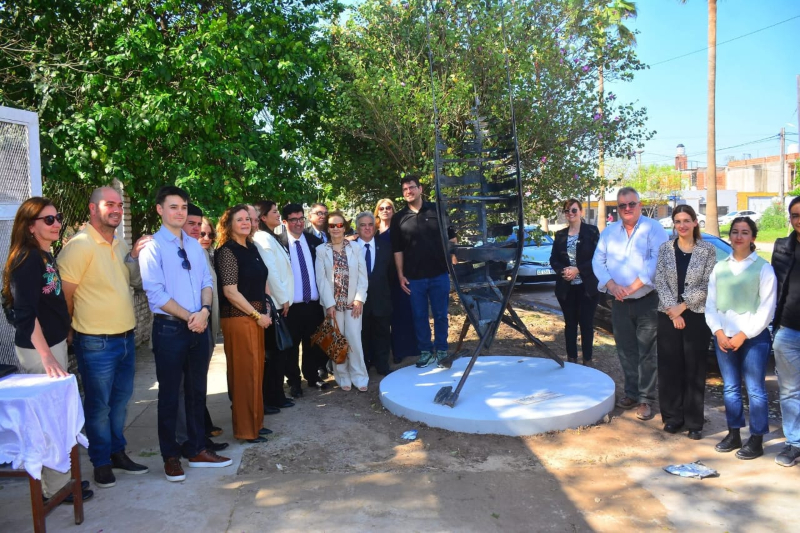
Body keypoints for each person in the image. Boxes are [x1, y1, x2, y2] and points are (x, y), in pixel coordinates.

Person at [2, 197, 93, 503]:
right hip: (39, 349)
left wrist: (63, 333)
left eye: (58, 218)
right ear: (30, 226)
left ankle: (60, 482)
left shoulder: (43, 255)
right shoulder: (26, 259)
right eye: (49, 220)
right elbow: (25, 314)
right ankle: (54, 488)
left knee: (56, 416)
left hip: (52, 344)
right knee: (49, 420)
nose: (57, 224)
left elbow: (49, 302)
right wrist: (46, 355)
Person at [139, 185, 232, 482]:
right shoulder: (152, 247)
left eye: (183, 207)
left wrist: (203, 311)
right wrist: (190, 316)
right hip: (170, 328)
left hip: (198, 326)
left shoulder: (193, 245)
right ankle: (171, 456)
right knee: (169, 396)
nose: (179, 212)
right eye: (173, 207)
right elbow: (155, 293)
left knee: (196, 393)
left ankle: (197, 449)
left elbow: (207, 281)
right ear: (160, 210)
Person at [59, 186, 150, 489]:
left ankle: (117, 452)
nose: (117, 210)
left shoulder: (121, 244)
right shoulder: (79, 245)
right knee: (99, 406)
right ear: (92, 208)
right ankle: (100, 462)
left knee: (120, 402)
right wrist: (69, 330)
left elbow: (133, 283)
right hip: (95, 341)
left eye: (120, 205)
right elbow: (66, 296)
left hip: (125, 337)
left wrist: (134, 256)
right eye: (109, 204)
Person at [592, 187, 669, 421]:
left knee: (647, 352)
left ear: (640, 204)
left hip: (647, 301)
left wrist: (633, 286)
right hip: (619, 301)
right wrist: (611, 285)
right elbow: (598, 261)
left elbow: (657, 261)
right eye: (622, 205)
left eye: (631, 204)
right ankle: (632, 393)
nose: (627, 208)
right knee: (626, 351)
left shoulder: (653, 229)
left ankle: (646, 399)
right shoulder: (609, 232)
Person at [706, 217, 777, 460]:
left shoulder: (764, 269)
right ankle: (734, 433)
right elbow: (711, 304)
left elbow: (767, 309)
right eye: (735, 232)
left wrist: (743, 334)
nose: (739, 237)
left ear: (753, 237)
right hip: (723, 337)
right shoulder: (719, 268)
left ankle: (756, 439)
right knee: (730, 387)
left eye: (744, 232)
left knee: (755, 390)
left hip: (754, 338)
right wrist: (718, 331)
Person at [654, 205, 717, 440]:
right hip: (668, 314)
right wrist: (674, 311)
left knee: (694, 369)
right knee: (670, 368)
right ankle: (673, 417)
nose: (682, 225)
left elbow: (708, 283)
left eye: (686, 220)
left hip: (696, 315)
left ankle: (694, 422)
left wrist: (683, 306)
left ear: (695, 222)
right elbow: (660, 280)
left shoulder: (707, 250)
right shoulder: (665, 249)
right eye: (678, 221)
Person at [214, 204, 274, 443]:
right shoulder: (227, 251)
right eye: (239, 219)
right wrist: (258, 316)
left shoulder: (251, 247)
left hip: (256, 318)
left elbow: (262, 280)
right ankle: (246, 430)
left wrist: (266, 307)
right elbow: (230, 292)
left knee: (256, 372)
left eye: (248, 219)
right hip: (239, 319)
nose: (245, 222)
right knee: (243, 376)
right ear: (229, 224)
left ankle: (256, 423)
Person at [391, 177, 456, 368]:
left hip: (439, 274)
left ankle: (442, 350)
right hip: (414, 278)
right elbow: (397, 250)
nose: (408, 191)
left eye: (412, 187)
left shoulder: (437, 210)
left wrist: (453, 265)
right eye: (405, 189)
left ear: (420, 189)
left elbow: (452, 238)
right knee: (419, 316)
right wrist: (400, 274)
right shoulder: (398, 218)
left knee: (441, 315)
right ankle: (426, 351)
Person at [180, 205, 226, 452]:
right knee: (185, 387)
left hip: (207, 328)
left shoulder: (205, 255)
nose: (203, 235)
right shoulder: (182, 253)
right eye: (196, 228)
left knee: (197, 385)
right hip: (187, 328)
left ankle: (200, 434)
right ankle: (189, 440)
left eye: (208, 233)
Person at [278, 203, 328, 397]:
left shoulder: (314, 242)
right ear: (285, 222)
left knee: (313, 343)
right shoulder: (279, 244)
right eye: (293, 219)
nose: (298, 223)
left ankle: (312, 376)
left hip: (313, 304)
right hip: (290, 307)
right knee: (291, 347)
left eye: (301, 218)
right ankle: (294, 382)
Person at [316, 211, 369, 391]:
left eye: (339, 225)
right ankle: (342, 376)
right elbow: (321, 280)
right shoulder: (321, 250)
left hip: (353, 304)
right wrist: (329, 303)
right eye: (332, 225)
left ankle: (359, 376)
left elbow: (363, 276)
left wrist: (359, 300)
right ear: (328, 228)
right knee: (337, 341)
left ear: (345, 227)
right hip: (332, 305)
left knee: (354, 340)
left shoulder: (355, 248)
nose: (336, 229)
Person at [252, 200, 295, 413]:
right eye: (275, 212)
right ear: (263, 217)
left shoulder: (270, 236)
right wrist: (283, 298)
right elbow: (271, 272)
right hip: (276, 304)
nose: (278, 215)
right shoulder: (262, 238)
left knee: (279, 354)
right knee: (275, 354)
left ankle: (276, 395)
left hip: (280, 302)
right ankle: (271, 397)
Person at [549, 199, 600, 366]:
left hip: (587, 288)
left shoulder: (591, 231)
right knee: (570, 325)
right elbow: (553, 259)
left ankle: (587, 361)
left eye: (574, 210)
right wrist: (563, 271)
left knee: (586, 325)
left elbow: (598, 258)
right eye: (567, 211)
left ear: (581, 212)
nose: (570, 213)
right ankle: (571, 361)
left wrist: (578, 269)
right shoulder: (560, 235)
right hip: (566, 288)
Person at [771, 196, 800, 467]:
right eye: (795, 215)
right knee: (790, 391)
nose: (799, 220)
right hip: (788, 331)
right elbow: (774, 287)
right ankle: (794, 443)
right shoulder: (782, 247)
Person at [375, 198, 417, 363]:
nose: (385, 211)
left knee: (401, 314)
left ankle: (401, 350)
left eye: (389, 208)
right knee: (383, 317)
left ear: (393, 210)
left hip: (399, 276)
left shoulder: (399, 229)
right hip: (380, 280)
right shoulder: (373, 231)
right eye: (382, 208)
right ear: (377, 211)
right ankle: (383, 352)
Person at [355, 211, 393, 375]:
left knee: (382, 332)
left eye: (370, 224)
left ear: (375, 227)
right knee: (361, 334)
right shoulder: (350, 247)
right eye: (363, 225)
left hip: (381, 298)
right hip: (358, 301)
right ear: (357, 228)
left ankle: (382, 364)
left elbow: (391, 274)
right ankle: (364, 364)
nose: (367, 228)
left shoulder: (385, 246)